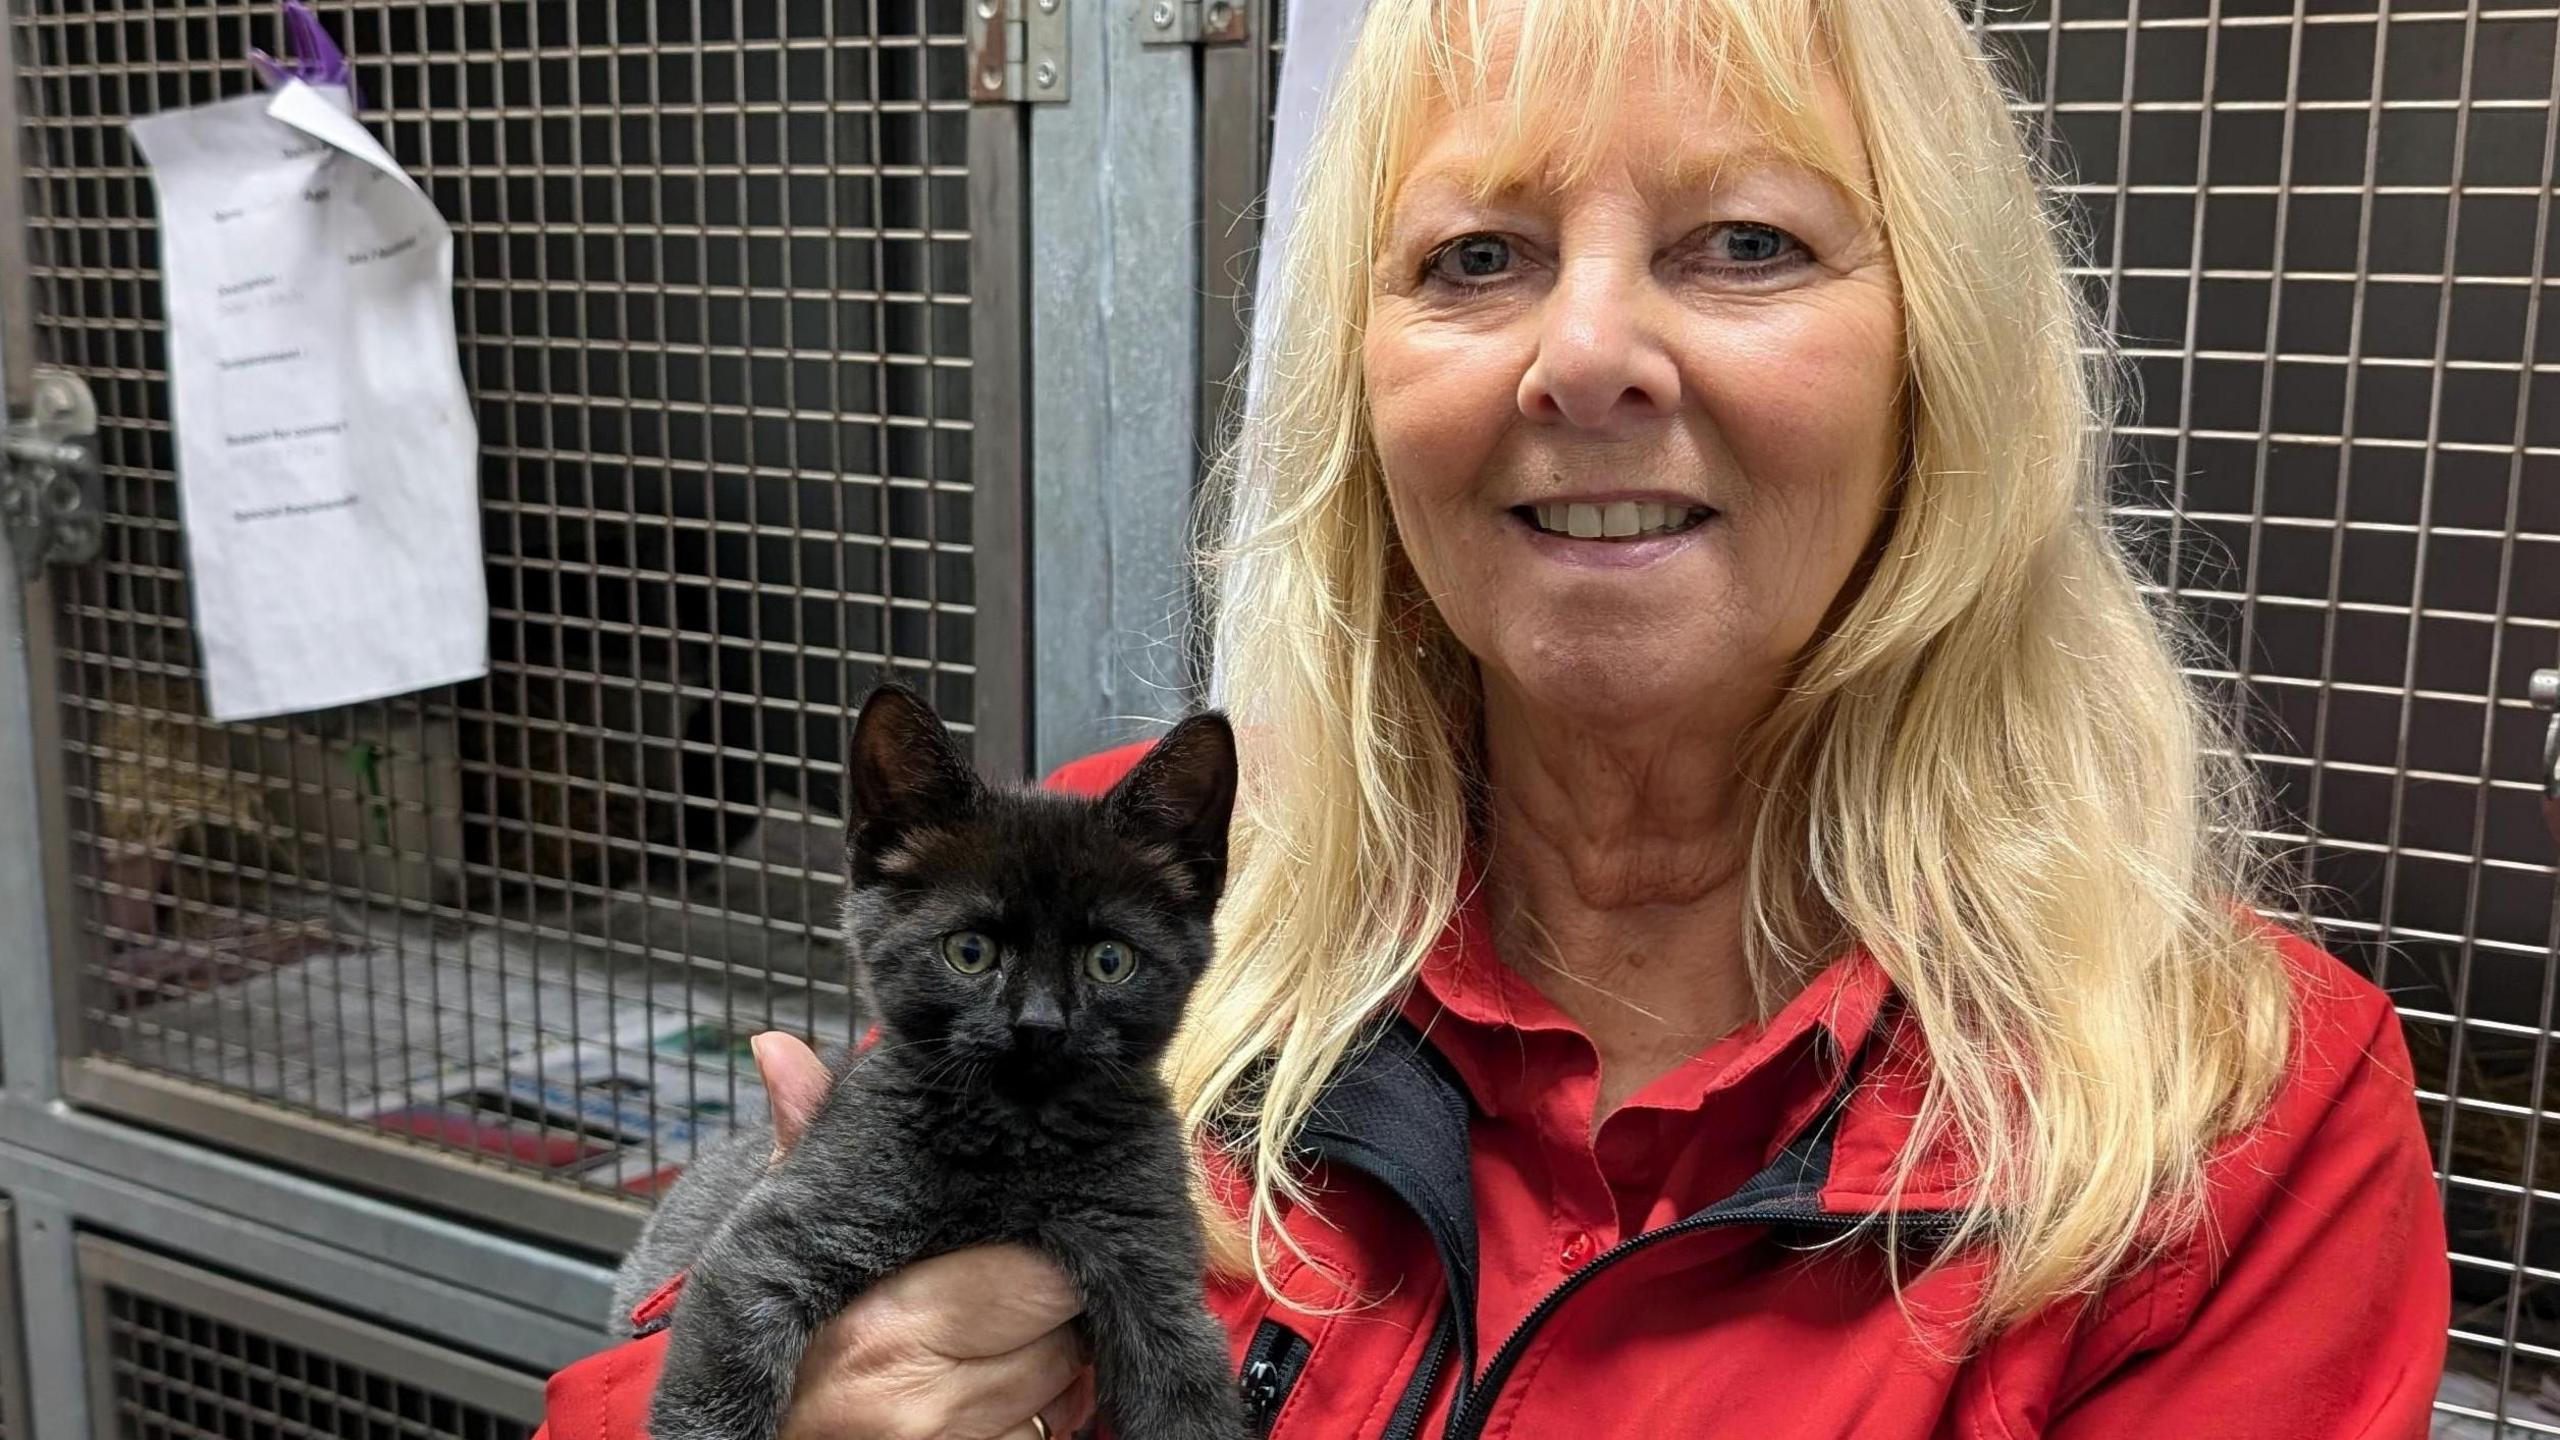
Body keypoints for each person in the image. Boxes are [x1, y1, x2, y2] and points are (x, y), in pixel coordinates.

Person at [536, 0, 2450, 1435]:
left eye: (1745, 244)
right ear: (1363, 390)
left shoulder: (2235, 1129)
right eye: (1479, 258)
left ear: (1940, 361)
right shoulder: (1125, 885)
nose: (1589, 356)